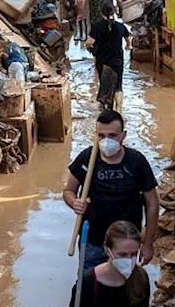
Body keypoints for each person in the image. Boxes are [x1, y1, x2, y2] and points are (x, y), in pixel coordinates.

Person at [64, 109, 159, 270]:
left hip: (125, 244)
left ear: (123, 135)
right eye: (101, 136)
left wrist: (148, 244)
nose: (106, 141)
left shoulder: (136, 162)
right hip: (92, 240)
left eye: (112, 136)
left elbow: (152, 204)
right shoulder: (86, 159)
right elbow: (68, 191)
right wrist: (75, 203)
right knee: (90, 285)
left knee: (122, 285)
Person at [87, 3, 131, 111]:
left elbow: (89, 42)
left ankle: (107, 108)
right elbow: (128, 37)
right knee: (118, 86)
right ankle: (119, 110)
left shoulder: (97, 26)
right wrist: (128, 45)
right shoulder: (120, 26)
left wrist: (90, 49)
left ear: (102, 14)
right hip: (117, 61)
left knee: (105, 83)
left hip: (103, 61)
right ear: (114, 13)